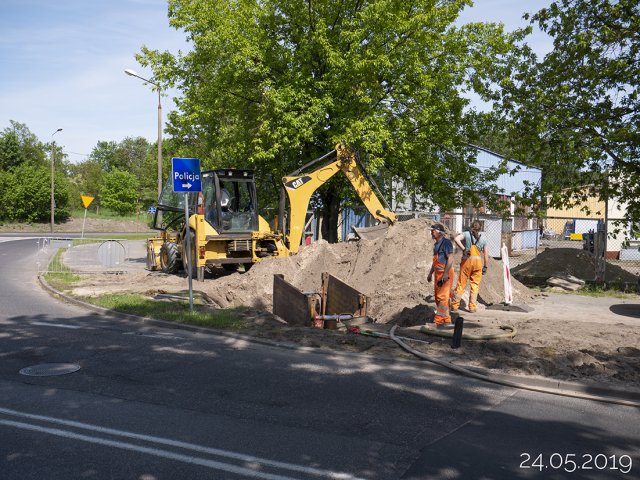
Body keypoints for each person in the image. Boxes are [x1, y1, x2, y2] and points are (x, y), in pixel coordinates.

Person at [450, 220, 489, 313]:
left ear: (471, 226)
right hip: (478, 263)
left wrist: (463, 249)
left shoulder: (466, 234)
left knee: (461, 284)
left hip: (467, 260)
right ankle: (472, 307)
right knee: (475, 285)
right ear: (480, 229)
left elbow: (456, 239)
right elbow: (486, 254)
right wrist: (485, 266)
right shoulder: (483, 239)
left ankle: (454, 306)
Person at [426, 223, 455, 326]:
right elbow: (435, 262)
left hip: (445, 272)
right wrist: (430, 274)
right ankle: (446, 319)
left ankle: (438, 320)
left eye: (433, 231)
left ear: (439, 232)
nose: (431, 232)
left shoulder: (446, 243)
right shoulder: (436, 245)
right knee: (438, 297)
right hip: (438, 273)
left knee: (442, 296)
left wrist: (446, 273)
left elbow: (450, 258)